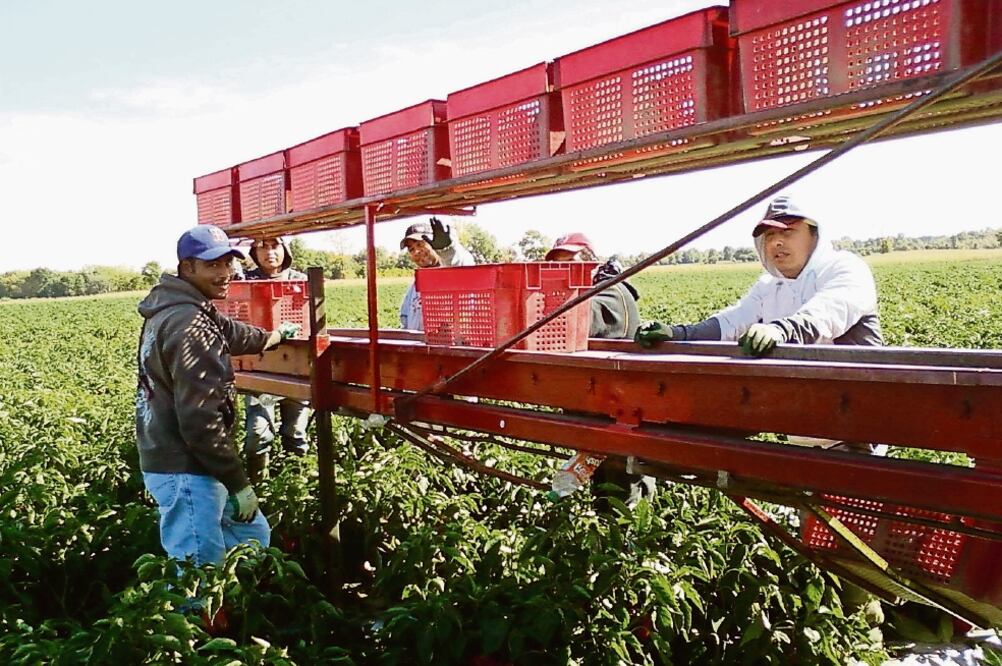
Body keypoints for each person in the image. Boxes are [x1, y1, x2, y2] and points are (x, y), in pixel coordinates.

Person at [136, 224, 297, 566]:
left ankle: (242, 596)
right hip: (186, 466)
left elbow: (231, 333)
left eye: (228, 262)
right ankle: (195, 602)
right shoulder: (190, 326)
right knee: (199, 569)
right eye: (213, 265)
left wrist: (273, 337)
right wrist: (239, 485)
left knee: (251, 537)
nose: (225, 273)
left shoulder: (183, 308)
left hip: (189, 459)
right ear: (187, 268)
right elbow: (200, 420)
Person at [635, 195, 882, 354]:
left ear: (814, 235)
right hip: (804, 397)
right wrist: (679, 334)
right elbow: (732, 322)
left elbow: (825, 315)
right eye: (770, 235)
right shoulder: (769, 286)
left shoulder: (845, 269)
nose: (776, 242)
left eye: (787, 232)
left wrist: (780, 330)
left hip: (857, 402)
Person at [544, 233, 654, 506]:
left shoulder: (613, 292)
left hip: (620, 413)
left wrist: (539, 301)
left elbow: (582, 319)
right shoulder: (585, 293)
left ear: (591, 264)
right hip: (596, 413)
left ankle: (632, 524)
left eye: (571, 264)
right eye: (558, 266)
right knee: (603, 482)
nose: (564, 273)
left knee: (622, 488)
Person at [242, 237, 311, 481]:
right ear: (254, 252)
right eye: (262, 247)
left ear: (285, 250)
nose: (269, 252)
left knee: (296, 432)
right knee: (258, 434)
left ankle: (296, 483)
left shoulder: (300, 280)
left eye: (275, 246)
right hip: (259, 368)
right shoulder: (245, 282)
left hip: (296, 366)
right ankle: (259, 485)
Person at [399, 217, 474, 330]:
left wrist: (445, 250)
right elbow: (405, 319)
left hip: (450, 341)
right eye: (411, 249)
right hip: (419, 341)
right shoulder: (415, 286)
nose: (416, 252)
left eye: (420, 244)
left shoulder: (451, 268)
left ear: (433, 242)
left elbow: (461, 267)